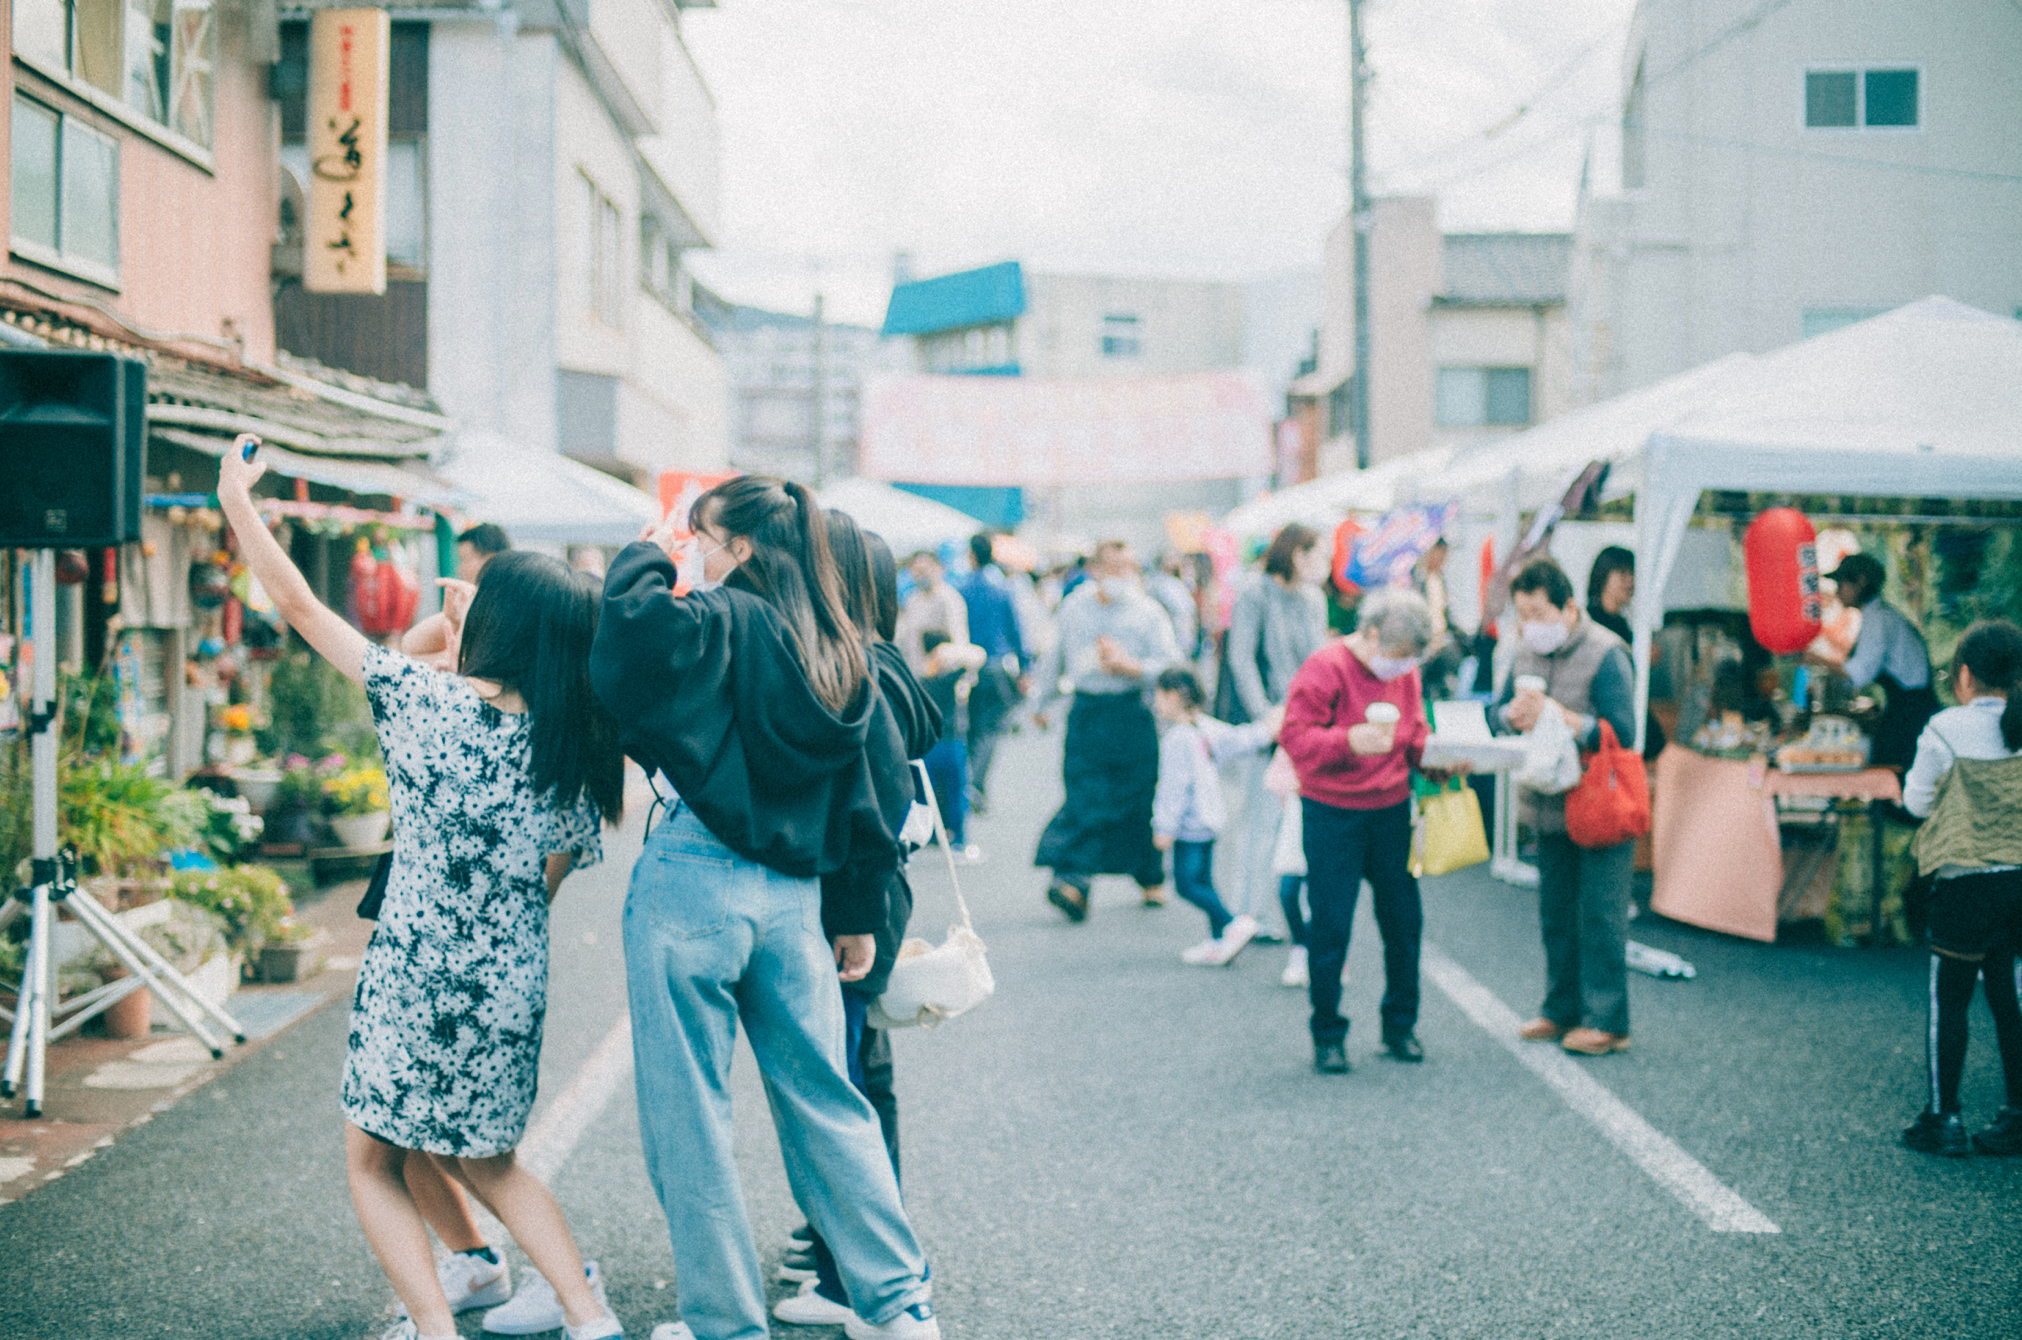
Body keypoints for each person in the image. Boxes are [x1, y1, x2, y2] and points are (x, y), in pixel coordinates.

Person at [217, 436, 624, 1340]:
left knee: (374, 1160)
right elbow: (543, 888)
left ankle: (436, 1327)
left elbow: (299, 603)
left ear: (496, 625)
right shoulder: (571, 750)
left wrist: (237, 498)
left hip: (414, 970)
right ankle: (587, 1314)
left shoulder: (423, 703)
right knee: (492, 1162)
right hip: (509, 980)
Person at [591, 475, 938, 1340]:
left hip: (692, 878)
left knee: (690, 1115)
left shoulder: (721, 620)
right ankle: (900, 1305)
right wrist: (856, 910)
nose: (696, 553)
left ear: (740, 547)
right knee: (827, 1101)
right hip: (795, 898)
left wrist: (647, 554)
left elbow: (628, 641)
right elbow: (874, 789)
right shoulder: (839, 648)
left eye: (703, 539)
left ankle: (726, 1323)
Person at [772, 512, 943, 1327]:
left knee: (843, 1087)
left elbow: (870, 811)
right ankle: (850, 1252)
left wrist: (854, 916)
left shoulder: (858, 675)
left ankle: (860, 1279)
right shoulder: (889, 662)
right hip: (873, 897)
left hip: (853, 901)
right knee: (860, 1077)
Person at [1280, 587, 1443, 1074]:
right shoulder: (1325, 667)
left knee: (1404, 922)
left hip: (1391, 808)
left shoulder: (1406, 672)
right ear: (1371, 635)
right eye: (1399, 654)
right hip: (1332, 812)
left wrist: (1436, 758)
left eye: (1412, 658)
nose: (1404, 666)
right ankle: (1327, 1033)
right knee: (1331, 925)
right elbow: (1294, 737)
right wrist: (1349, 739)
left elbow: (1414, 733)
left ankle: (1400, 1026)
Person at [1496, 557, 1638, 1058]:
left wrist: (1563, 718)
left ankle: (1607, 1021)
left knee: (1601, 916)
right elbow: (1496, 714)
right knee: (1555, 914)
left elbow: (1624, 732)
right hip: (1546, 803)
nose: (1530, 625)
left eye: (1539, 614)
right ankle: (1561, 1009)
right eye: (1523, 615)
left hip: (1598, 804)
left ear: (1569, 608)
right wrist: (1509, 716)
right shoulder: (1522, 652)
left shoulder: (1607, 652)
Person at [1897, 620, 2022, 1157]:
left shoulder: (1945, 727)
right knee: (2010, 997)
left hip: (1965, 885)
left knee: (1950, 1000)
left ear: (1965, 675)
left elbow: (1916, 803)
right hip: (2019, 881)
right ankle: (2017, 1115)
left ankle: (1944, 1118)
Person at [1030, 540, 1180, 920]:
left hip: (1132, 711)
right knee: (1084, 796)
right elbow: (1054, 659)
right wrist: (1040, 702)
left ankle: (1150, 875)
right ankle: (1073, 882)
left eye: (1128, 568)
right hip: (1087, 711)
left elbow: (1171, 666)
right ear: (1094, 569)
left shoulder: (1149, 612)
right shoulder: (1074, 607)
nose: (1122, 576)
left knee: (1139, 796)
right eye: (1113, 568)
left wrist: (1134, 667)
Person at [1223, 523, 1330, 975]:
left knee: (1297, 823)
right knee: (1259, 818)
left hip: (1305, 722)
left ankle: (1285, 913)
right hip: (1266, 722)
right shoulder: (1255, 592)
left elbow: (1317, 660)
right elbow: (1241, 657)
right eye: (1318, 554)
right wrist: (1264, 714)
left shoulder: (1313, 599)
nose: (1323, 565)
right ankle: (1249, 912)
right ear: (1297, 554)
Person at [1151, 667, 1281, 965]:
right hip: (1209, 819)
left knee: (1186, 884)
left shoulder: (1177, 738)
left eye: (1159, 695)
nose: (1156, 703)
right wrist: (1267, 728)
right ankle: (1219, 941)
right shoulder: (1205, 727)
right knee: (1204, 881)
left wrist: (1164, 826)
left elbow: (1173, 787)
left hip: (1188, 825)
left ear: (1173, 695)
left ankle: (1231, 924)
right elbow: (1241, 739)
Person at [1823, 552, 1938, 771]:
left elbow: (1858, 673)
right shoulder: (1879, 616)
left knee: (1890, 770)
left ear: (1861, 581)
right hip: (1905, 706)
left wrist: (1812, 658)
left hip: (1911, 711)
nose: (1837, 591)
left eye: (1841, 583)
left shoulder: (1879, 620)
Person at [951, 533, 1027, 812]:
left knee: (967, 727)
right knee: (989, 729)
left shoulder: (960, 588)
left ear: (972, 555)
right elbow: (1016, 630)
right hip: (996, 666)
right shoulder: (1003, 588)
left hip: (966, 665)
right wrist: (1025, 667)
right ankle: (976, 784)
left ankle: (964, 784)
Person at [1585, 545, 1666, 760]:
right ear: (1603, 576)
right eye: (1622, 573)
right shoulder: (1589, 621)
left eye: (1633, 574)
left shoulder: (1622, 624)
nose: (1630, 581)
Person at [918, 629, 987, 859]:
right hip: (951, 743)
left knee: (925, 795)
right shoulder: (948, 680)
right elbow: (977, 658)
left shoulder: (920, 680)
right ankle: (959, 839)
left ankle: (924, 837)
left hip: (927, 745)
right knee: (956, 793)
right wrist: (952, 653)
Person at [893, 549, 970, 676]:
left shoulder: (949, 599)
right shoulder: (911, 600)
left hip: (942, 676)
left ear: (939, 569)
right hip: (915, 673)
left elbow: (959, 642)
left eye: (925, 570)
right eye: (917, 571)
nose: (921, 575)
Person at [1146, 553, 1200, 659]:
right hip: (1172, 638)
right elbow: (1179, 610)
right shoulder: (1161, 583)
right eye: (1170, 558)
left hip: (1183, 637)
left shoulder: (1179, 582)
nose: (1174, 561)